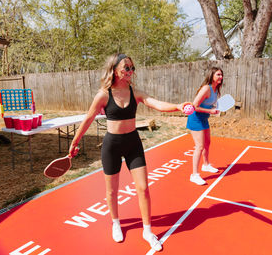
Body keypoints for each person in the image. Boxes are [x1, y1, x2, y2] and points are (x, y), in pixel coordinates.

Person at [69, 53, 187, 251]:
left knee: (143, 187)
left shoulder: (136, 92)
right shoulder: (103, 95)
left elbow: (156, 104)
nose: (130, 72)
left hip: (133, 143)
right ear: (115, 71)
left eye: (132, 68)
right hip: (112, 146)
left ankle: (147, 231)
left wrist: (177, 106)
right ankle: (116, 223)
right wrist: (74, 142)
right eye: (126, 68)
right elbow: (88, 119)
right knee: (112, 190)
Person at [186, 67, 223, 185]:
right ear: (211, 76)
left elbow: (209, 105)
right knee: (199, 146)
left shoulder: (216, 89)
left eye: (221, 75)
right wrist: (210, 112)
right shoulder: (206, 88)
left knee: (207, 143)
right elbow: (194, 106)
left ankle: (206, 165)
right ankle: (194, 175)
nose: (220, 77)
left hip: (204, 119)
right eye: (218, 75)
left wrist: (214, 109)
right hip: (195, 119)